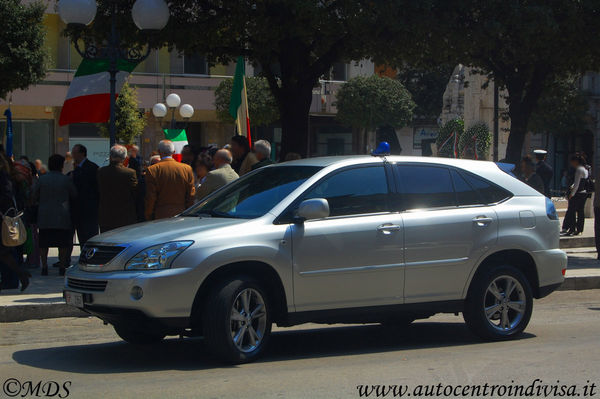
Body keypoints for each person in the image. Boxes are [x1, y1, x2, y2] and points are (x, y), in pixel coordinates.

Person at [32, 154, 76, 276]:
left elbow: (34, 195)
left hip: (44, 214)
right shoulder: (66, 179)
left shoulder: (42, 179)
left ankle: (44, 266)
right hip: (62, 214)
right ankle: (62, 266)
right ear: (61, 165)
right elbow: (74, 194)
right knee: (62, 242)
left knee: (44, 242)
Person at [0, 152, 30, 291]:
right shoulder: (5, 175)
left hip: (2, 220)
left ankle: (21, 274)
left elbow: (6, 197)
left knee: (5, 253)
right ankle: (21, 274)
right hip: (3, 219)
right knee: (4, 253)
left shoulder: (3, 176)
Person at [145, 140, 195, 220]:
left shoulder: (152, 170)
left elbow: (151, 197)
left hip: (160, 214)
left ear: (159, 152)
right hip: (182, 213)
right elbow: (191, 195)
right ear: (174, 152)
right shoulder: (187, 169)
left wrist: (148, 214)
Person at [97, 145, 138, 233]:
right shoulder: (130, 173)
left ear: (110, 157)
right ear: (124, 158)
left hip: (106, 216)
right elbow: (135, 192)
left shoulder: (101, 172)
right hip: (125, 216)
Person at [71, 144, 99, 245]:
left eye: (74, 153)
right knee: (82, 237)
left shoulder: (91, 167)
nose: (72, 155)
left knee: (90, 237)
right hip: (78, 210)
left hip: (89, 209)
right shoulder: (76, 169)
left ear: (82, 154)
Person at [562, 155, 589, 236]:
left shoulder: (578, 169)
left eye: (572, 162)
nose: (572, 164)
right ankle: (580, 229)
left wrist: (571, 194)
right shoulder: (585, 169)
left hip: (577, 194)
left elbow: (576, 184)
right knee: (581, 212)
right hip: (584, 193)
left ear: (576, 161)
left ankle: (572, 228)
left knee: (572, 211)